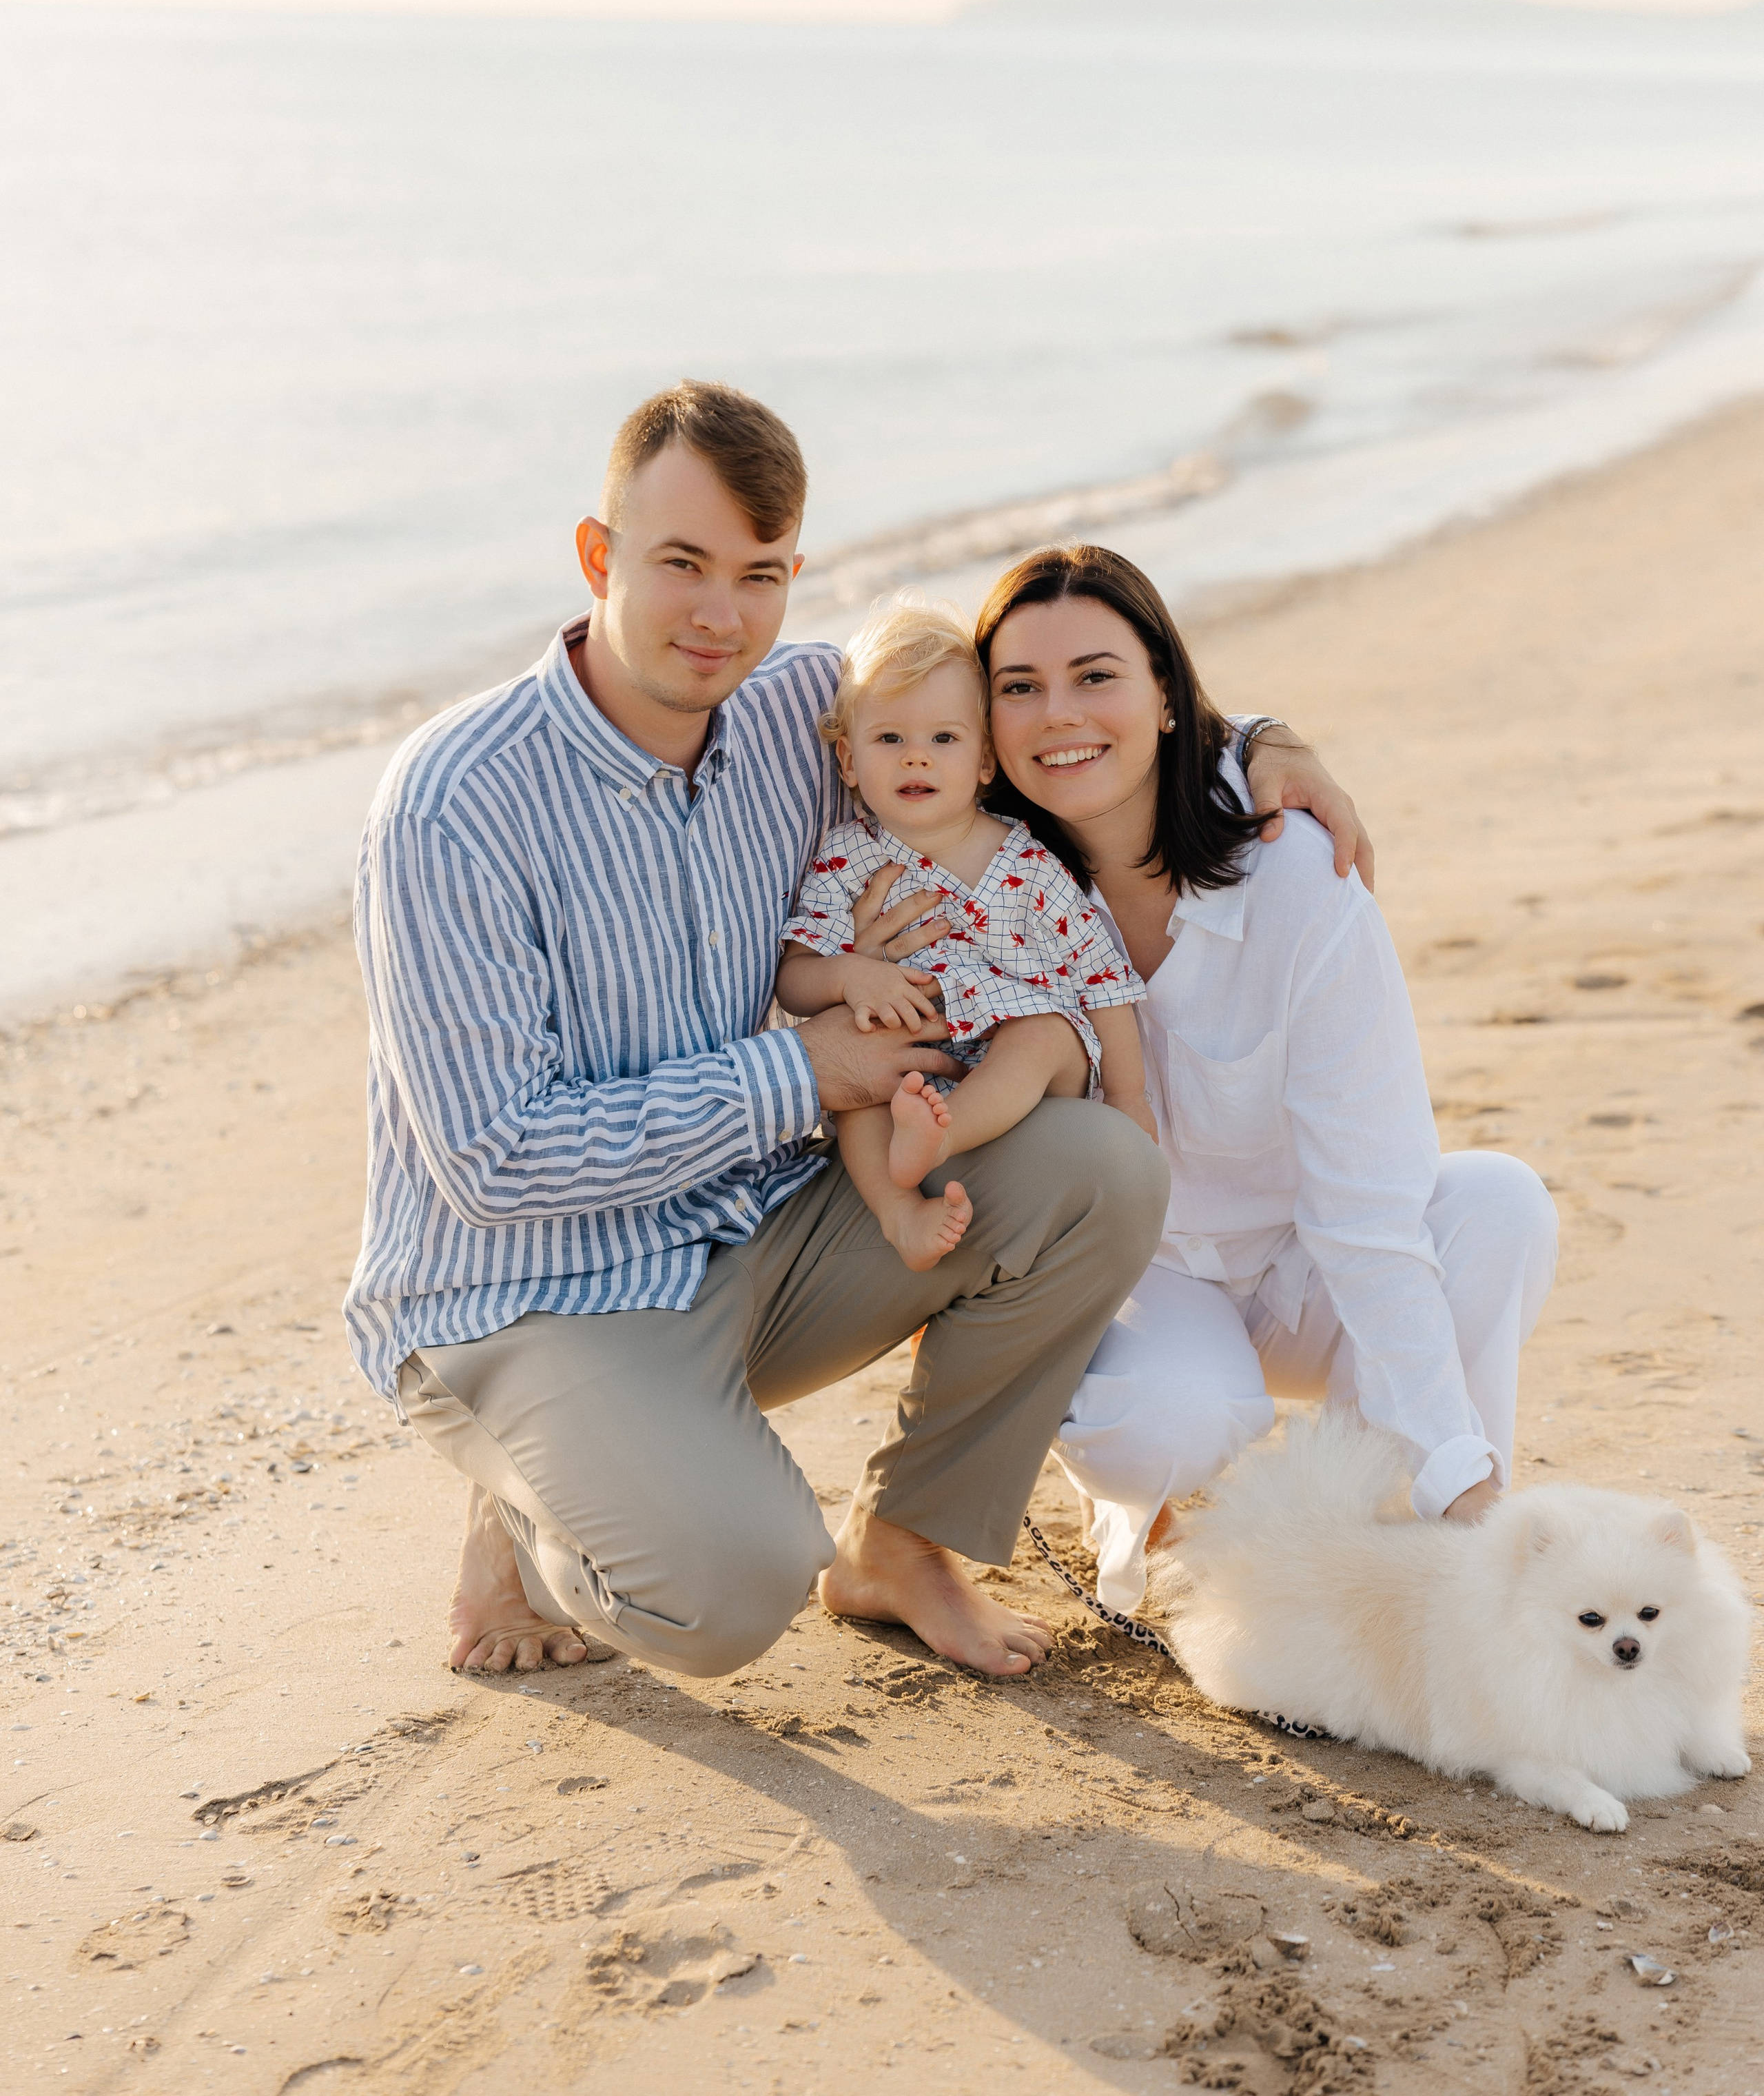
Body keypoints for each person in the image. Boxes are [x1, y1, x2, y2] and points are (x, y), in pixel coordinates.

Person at [345, 379, 1371, 1680]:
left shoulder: (799, 711)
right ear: (599, 555)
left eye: (760, 574)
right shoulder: (453, 803)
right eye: (682, 565)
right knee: (727, 1595)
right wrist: (805, 1068)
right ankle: (528, 1493)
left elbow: (1014, 708)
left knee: (1102, 1164)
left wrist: (1253, 746)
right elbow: (492, 1159)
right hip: (530, 1292)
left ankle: (902, 1539)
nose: (722, 615)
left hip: (752, 1237)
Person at [975, 542, 1558, 1616]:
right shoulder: (982, 888)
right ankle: (1154, 1510)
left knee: (1501, 1207)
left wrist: (1454, 1470)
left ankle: (1425, 1528)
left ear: (1165, 695)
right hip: (1138, 1280)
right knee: (1176, 1419)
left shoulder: (1294, 868)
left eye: (1096, 674)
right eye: (1020, 686)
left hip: (1305, 1261)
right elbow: (869, 720)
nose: (1058, 714)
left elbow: (1369, 1204)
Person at [776, 597, 1153, 1272]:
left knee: (1043, 1032)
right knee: (854, 1060)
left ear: (984, 760)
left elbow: (1100, 979)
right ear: (848, 759)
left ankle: (940, 1142)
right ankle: (899, 1214)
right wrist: (847, 977)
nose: (915, 759)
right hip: (914, 1054)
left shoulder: (1028, 861)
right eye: (889, 739)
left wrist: (1129, 1097)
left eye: (943, 739)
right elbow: (796, 980)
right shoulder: (847, 860)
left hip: (1030, 1064)